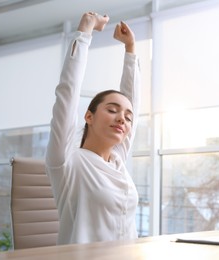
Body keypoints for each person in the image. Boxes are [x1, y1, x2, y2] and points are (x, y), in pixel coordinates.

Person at [45, 11, 140, 245]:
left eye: (128, 118)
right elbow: (67, 93)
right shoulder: (67, 160)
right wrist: (85, 33)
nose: (122, 120)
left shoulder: (118, 160)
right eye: (111, 110)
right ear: (88, 116)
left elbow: (132, 102)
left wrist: (131, 50)